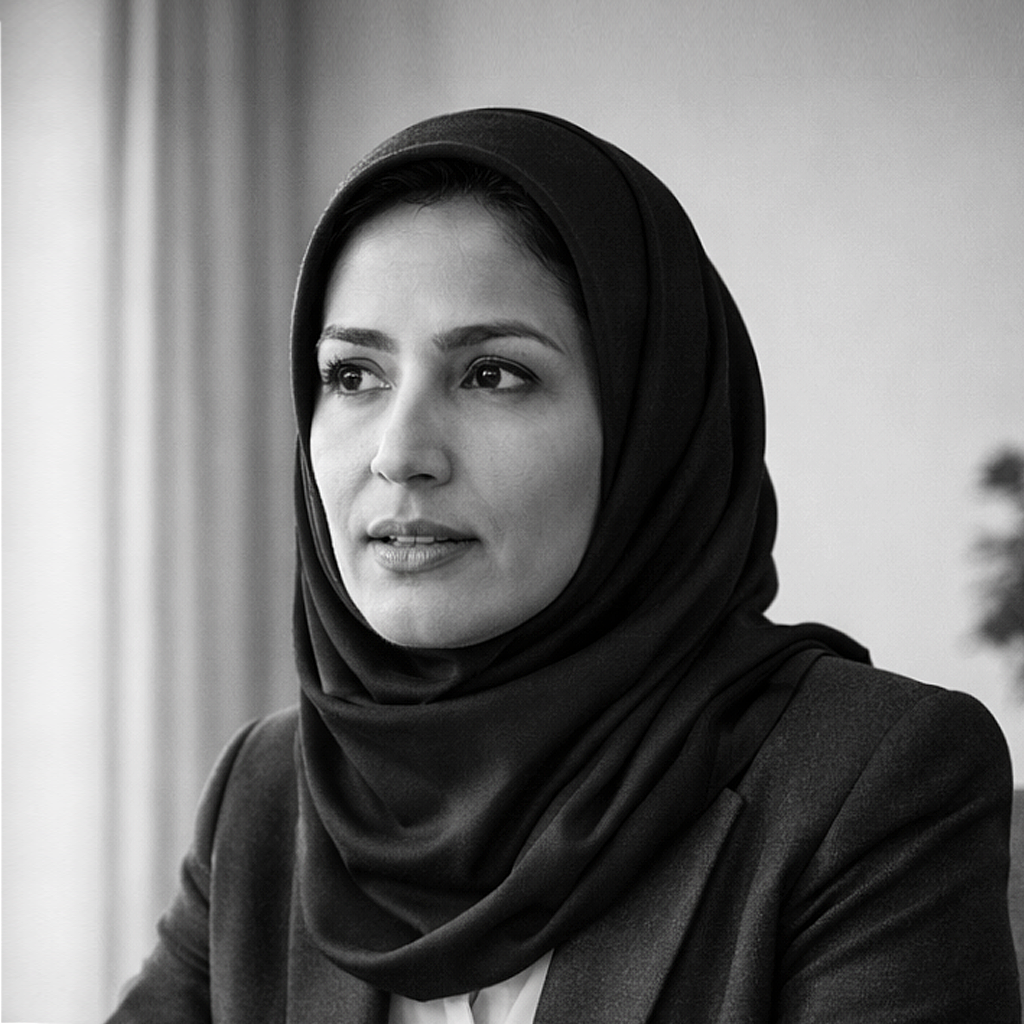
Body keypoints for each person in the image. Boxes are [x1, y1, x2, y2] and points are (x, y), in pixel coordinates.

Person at [107, 108, 1020, 1023]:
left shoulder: (868, 787)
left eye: (492, 373)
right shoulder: (270, 793)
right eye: (352, 376)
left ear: (648, 431)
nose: (399, 452)